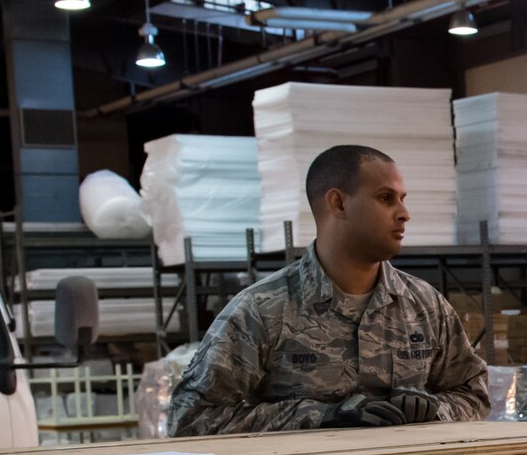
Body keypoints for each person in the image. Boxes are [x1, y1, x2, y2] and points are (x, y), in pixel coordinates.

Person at [168, 144, 489, 435]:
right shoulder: (263, 310)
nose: (404, 213)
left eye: (402, 200)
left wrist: (435, 409)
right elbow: (190, 419)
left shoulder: (424, 306)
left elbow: (473, 394)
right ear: (338, 203)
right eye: (386, 198)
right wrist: (321, 416)